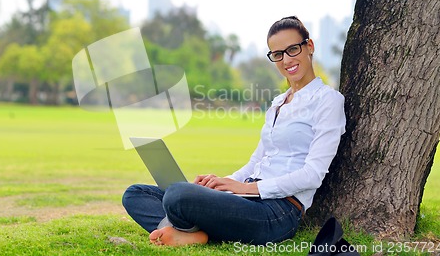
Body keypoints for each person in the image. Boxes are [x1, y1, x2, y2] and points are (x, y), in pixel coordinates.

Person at [122, 16, 346, 246]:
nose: (286, 60)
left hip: (278, 210)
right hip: (245, 198)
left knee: (178, 195)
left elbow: (313, 174)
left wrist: (247, 188)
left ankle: (186, 228)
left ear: (309, 46)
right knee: (136, 194)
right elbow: (256, 161)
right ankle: (194, 232)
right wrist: (221, 182)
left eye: (292, 49)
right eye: (278, 54)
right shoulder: (279, 102)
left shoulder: (328, 100)